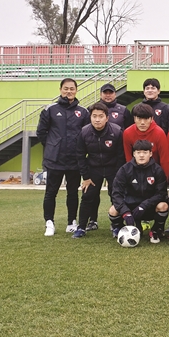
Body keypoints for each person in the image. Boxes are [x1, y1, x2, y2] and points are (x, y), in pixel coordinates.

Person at [37, 77, 90, 236]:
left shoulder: (83, 112)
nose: (69, 91)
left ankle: (71, 222)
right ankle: (49, 222)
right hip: (55, 160)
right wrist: (53, 146)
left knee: (72, 192)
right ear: (60, 90)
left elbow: (87, 134)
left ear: (76, 90)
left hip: (74, 160)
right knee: (50, 192)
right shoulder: (50, 109)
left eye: (72, 89)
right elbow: (41, 133)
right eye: (66, 88)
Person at [73, 102, 125, 238]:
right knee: (87, 197)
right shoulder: (84, 132)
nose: (97, 119)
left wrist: (118, 176)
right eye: (94, 116)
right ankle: (81, 227)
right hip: (93, 169)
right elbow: (80, 155)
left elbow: (121, 155)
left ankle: (117, 226)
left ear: (107, 118)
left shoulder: (117, 131)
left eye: (101, 116)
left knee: (116, 197)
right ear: (90, 117)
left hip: (113, 168)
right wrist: (85, 177)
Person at [109, 139, 169, 243]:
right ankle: (120, 228)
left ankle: (156, 230)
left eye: (145, 152)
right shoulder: (125, 169)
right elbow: (116, 193)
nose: (141, 155)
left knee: (163, 206)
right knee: (113, 210)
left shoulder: (157, 170)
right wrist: (125, 211)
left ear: (150, 154)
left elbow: (161, 193)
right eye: (138, 152)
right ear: (134, 154)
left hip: (149, 207)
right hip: (130, 207)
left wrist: (144, 205)